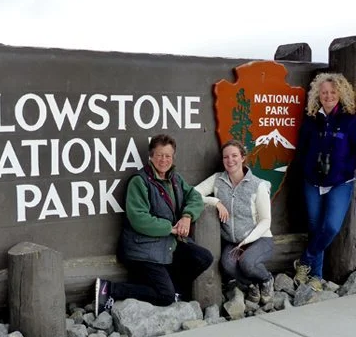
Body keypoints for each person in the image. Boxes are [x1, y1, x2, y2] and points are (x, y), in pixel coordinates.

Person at [94, 134, 213, 316]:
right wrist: (170, 228)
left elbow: (195, 197)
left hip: (167, 246)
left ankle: (174, 290)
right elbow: (139, 218)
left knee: (203, 257)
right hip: (142, 248)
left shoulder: (175, 179)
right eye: (159, 155)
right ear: (150, 156)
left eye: (168, 156)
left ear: (173, 158)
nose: (163, 160)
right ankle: (110, 290)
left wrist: (187, 216)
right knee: (164, 296)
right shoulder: (139, 181)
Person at [292, 72, 356, 291]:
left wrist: (346, 168)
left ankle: (305, 261)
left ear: (340, 93)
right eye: (324, 92)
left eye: (332, 92)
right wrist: (307, 168)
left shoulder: (350, 120)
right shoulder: (311, 120)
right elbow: (301, 149)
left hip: (340, 182)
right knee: (315, 227)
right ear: (318, 95)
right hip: (312, 181)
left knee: (330, 227)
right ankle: (316, 277)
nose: (328, 96)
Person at [195, 139, 274, 305]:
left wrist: (246, 242)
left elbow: (266, 221)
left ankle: (266, 280)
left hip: (260, 239)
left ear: (243, 158)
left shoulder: (257, 185)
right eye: (226, 157)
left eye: (234, 156)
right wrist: (215, 202)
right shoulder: (218, 180)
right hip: (233, 242)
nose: (230, 160)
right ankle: (251, 284)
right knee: (227, 265)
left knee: (246, 262)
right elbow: (193, 193)